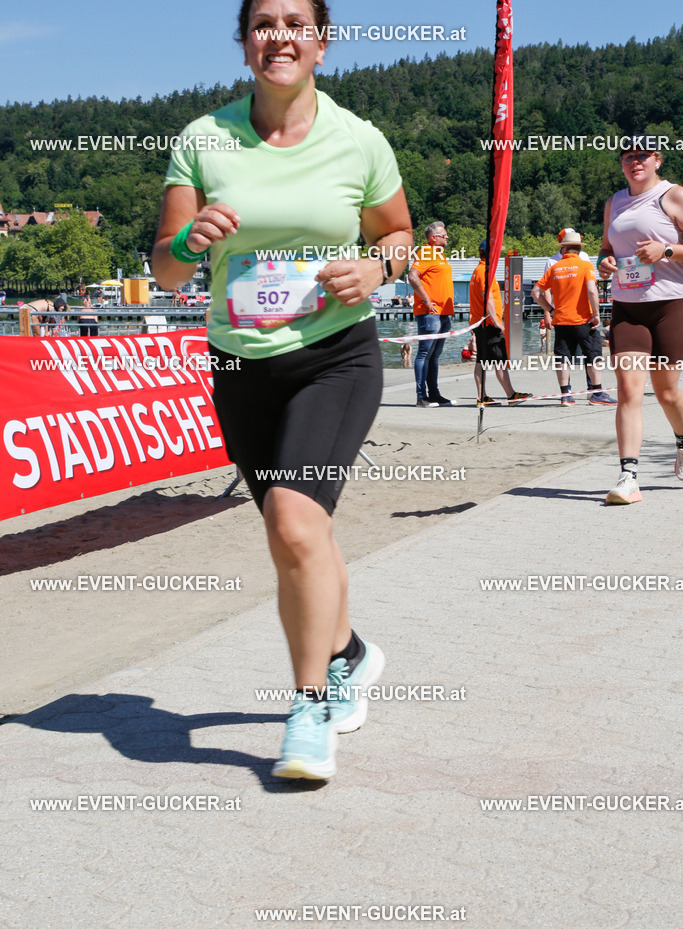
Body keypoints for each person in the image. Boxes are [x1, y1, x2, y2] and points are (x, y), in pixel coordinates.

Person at [152, 0, 412, 781]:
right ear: (244, 45)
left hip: (334, 356)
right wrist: (189, 240)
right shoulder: (203, 139)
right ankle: (350, 654)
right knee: (298, 535)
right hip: (240, 364)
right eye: (264, 23)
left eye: (296, 23)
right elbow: (165, 268)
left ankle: (309, 709)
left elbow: (398, 236)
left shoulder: (358, 139)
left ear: (320, 45)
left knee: (295, 524)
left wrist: (375, 267)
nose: (280, 36)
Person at [597, 135, 683, 503]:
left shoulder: (673, 195)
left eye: (643, 156)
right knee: (628, 391)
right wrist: (603, 261)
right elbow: (606, 247)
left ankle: (682, 442)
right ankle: (628, 477)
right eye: (628, 156)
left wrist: (667, 250)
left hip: (669, 305)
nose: (635, 162)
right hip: (627, 307)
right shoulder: (614, 202)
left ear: (657, 160)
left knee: (667, 394)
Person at [532, 230, 617, 407]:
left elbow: (535, 293)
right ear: (579, 249)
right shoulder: (585, 266)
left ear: (563, 248)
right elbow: (592, 290)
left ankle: (566, 395)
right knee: (593, 355)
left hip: (561, 320)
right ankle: (596, 393)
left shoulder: (554, 268)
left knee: (562, 357)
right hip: (583, 320)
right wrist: (596, 314)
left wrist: (550, 310)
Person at [469, 240, 532, 406]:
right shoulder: (484, 272)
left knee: (482, 361)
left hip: (480, 323)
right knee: (499, 360)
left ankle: (482, 397)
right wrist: (497, 322)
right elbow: (488, 298)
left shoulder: (478, 270)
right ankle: (510, 395)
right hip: (489, 324)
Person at [407, 221, 454, 407]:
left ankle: (434, 394)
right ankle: (421, 396)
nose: (447, 237)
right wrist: (426, 300)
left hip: (443, 312)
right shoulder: (426, 252)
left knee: (434, 355)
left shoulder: (439, 254)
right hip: (430, 312)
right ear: (434, 238)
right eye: (444, 235)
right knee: (424, 353)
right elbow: (412, 276)